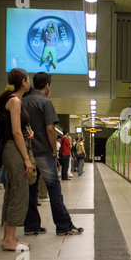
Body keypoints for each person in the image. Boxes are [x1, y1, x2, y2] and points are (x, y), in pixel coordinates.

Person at [22, 71, 83, 236]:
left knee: (31, 190)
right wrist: (53, 150)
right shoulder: (45, 102)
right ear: (47, 85)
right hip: (43, 151)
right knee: (54, 189)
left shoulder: (23, 101)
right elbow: (50, 128)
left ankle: (31, 226)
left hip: (27, 153)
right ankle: (63, 225)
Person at [0, 68, 34, 252]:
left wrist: (28, 135)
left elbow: (18, 130)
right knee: (19, 192)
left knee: (11, 192)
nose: (30, 82)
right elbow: (16, 132)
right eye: (28, 79)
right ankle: (9, 240)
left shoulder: (10, 99)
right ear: (24, 82)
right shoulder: (15, 101)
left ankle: (8, 237)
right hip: (13, 149)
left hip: (11, 148)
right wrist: (26, 159)